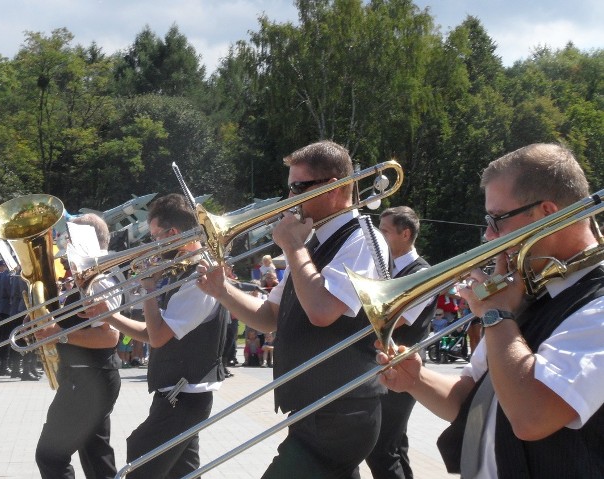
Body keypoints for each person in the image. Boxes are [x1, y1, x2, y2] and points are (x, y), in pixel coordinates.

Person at [378, 143, 604, 478]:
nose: (488, 235)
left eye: (497, 219)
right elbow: (471, 398)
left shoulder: (595, 302)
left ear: (547, 212)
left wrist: (496, 316)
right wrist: (416, 379)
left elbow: (532, 417)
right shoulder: (524, 292)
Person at [197, 140, 389, 478]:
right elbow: (269, 317)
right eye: (290, 188)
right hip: (317, 408)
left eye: (298, 188)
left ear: (332, 188)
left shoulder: (360, 238)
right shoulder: (312, 243)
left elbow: (323, 310)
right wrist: (222, 290)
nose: (289, 200)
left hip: (341, 409)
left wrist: (294, 246)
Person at [87, 194, 226, 478]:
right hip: (175, 392)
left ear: (173, 234)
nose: (152, 245)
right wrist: (108, 315)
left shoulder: (198, 278)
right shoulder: (182, 273)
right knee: (182, 473)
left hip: (185, 396)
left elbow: (159, 336)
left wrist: (149, 288)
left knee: (140, 458)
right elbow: (152, 335)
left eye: (154, 237)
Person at [33, 213, 123, 478]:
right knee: (96, 456)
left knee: (50, 455)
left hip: (89, 378)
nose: (64, 245)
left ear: (87, 240)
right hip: (87, 377)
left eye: (70, 238)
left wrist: (58, 335)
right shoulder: (86, 280)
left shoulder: (100, 281)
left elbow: (110, 337)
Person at [365, 206, 437, 479]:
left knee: (381, 448)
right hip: (388, 367)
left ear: (405, 234)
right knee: (395, 445)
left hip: (404, 366)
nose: (378, 238)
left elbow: (397, 321)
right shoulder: (386, 269)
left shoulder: (421, 274)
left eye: (384, 232)